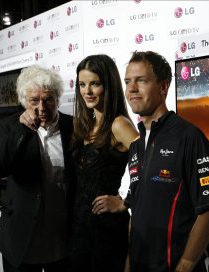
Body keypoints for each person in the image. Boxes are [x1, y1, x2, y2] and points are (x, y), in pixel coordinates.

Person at [123, 51, 209, 272]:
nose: (132, 88)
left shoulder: (188, 137)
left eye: (141, 80)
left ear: (164, 87)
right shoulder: (136, 146)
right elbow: (137, 212)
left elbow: (208, 213)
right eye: (128, 81)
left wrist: (184, 266)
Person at [0, 65, 75, 272]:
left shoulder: (74, 127)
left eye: (48, 99)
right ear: (24, 102)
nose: (41, 107)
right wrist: (20, 131)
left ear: (58, 99)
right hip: (22, 238)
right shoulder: (8, 127)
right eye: (34, 100)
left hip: (62, 237)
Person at [68, 54, 138, 272]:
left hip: (105, 230)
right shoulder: (86, 123)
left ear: (107, 85)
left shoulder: (119, 124)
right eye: (82, 84)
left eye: (94, 84)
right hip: (80, 229)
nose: (87, 91)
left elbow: (152, 167)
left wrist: (125, 202)